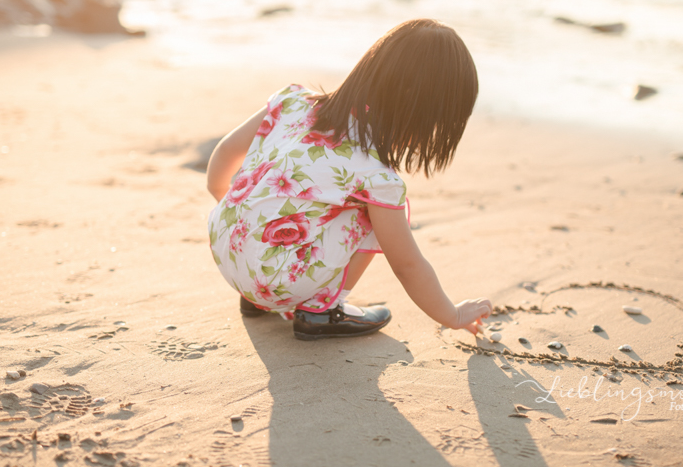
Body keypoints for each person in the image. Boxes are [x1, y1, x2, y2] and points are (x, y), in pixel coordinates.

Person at [206, 19, 493, 340]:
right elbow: (408, 265)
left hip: (225, 249)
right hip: (275, 284)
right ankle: (322, 311)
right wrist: (452, 315)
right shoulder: (376, 176)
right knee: (371, 210)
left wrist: (231, 208)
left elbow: (225, 152)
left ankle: (255, 301)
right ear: (415, 107)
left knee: (284, 198)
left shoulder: (292, 100)